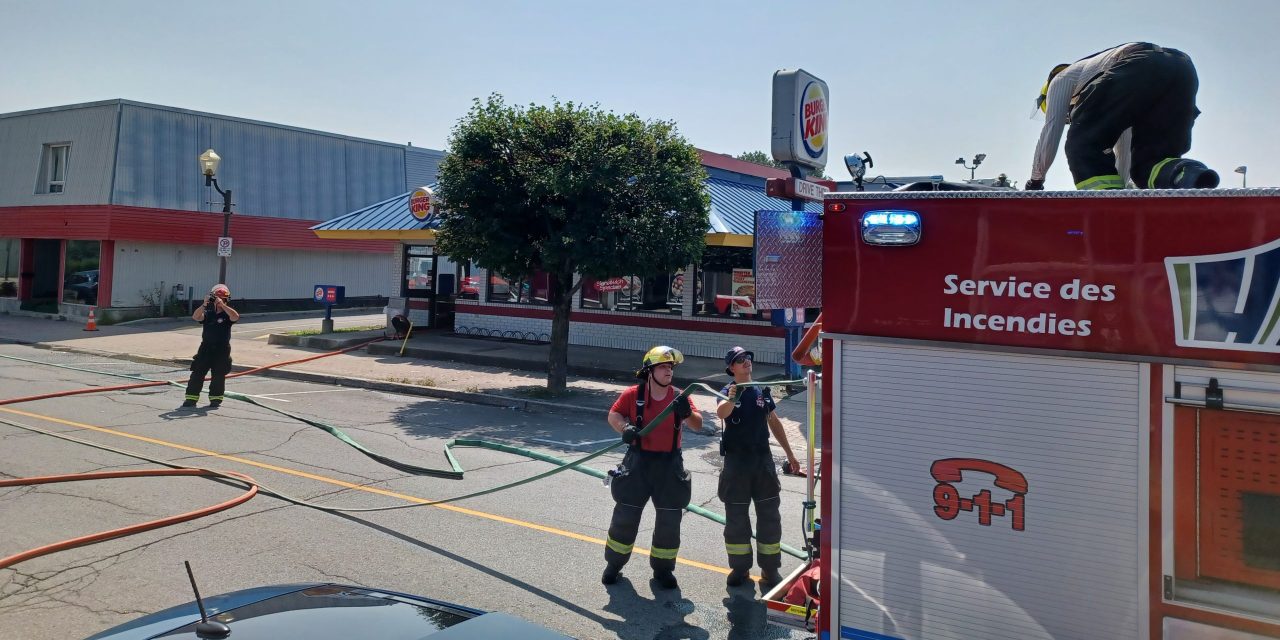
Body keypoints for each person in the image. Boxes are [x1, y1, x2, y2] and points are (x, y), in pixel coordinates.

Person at [1026, 42, 1217, 192]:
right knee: (1147, 166)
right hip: (1183, 69)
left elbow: (1051, 131)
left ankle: (1104, 206)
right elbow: (1123, 150)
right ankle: (1185, 174)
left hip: (1142, 64)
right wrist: (1123, 191)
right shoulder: (1116, 94)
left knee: (1083, 145)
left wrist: (1035, 181)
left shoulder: (1060, 79)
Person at [603, 346, 705, 589]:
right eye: (663, 367)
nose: (669, 371)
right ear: (649, 371)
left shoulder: (680, 396)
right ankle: (614, 565)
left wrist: (687, 413)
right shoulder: (632, 394)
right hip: (638, 463)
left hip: (669, 466)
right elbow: (614, 415)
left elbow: (698, 425)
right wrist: (624, 428)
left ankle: (663, 570)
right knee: (625, 516)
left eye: (671, 367)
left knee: (669, 521)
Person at [716, 346, 802, 591]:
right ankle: (740, 568)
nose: (747, 361)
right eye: (740, 359)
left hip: (762, 461)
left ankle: (770, 569)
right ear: (731, 368)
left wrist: (790, 454)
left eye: (748, 358)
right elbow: (721, 413)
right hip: (736, 463)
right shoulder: (727, 391)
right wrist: (732, 398)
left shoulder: (761, 391)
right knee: (736, 519)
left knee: (769, 518)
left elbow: (774, 422)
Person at [182, 284, 239, 408]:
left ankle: (215, 399)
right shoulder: (208, 313)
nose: (219, 301)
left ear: (226, 300)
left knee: (218, 375)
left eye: (223, 299)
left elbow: (235, 316)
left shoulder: (227, 314)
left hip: (222, 349)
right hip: (206, 348)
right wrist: (204, 304)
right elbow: (196, 317)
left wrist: (223, 305)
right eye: (217, 299)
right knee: (197, 373)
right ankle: (191, 399)